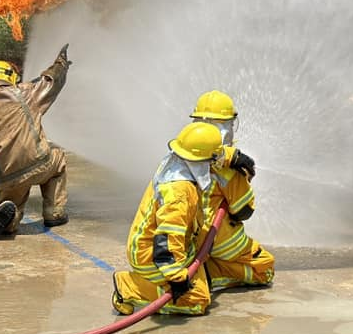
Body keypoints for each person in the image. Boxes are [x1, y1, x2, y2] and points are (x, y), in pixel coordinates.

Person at [111, 121, 223, 316]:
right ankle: (128, 287)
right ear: (202, 159)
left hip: (171, 247)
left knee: (203, 286)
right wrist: (176, 276)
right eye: (213, 159)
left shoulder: (178, 164)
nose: (216, 164)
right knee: (197, 301)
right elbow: (167, 238)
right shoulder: (179, 192)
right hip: (150, 256)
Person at [0, 45, 74, 239]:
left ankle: (9, 223)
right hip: (39, 163)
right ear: (8, 76)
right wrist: (60, 63)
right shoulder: (23, 93)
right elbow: (51, 82)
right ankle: (54, 213)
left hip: (7, 175)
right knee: (58, 159)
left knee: (12, 204)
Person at [190, 90, 275, 290]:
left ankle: (203, 266)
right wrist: (243, 178)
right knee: (264, 268)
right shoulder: (231, 170)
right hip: (216, 238)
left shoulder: (186, 151)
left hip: (187, 236)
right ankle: (213, 274)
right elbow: (244, 211)